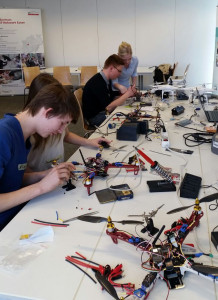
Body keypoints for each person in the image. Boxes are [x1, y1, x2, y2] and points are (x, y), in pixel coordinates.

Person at [0, 83, 79, 231]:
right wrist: (40, 187)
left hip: (19, 213)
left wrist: (45, 175)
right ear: (47, 112)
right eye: (62, 123)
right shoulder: (4, 135)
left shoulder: (23, 136)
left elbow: (10, 180)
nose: (61, 131)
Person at [24, 73, 111, 172]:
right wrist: (44, 178)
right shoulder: (25, 130)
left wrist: (89, 142)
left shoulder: (57, 120)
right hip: (41, 179)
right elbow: (22, 172)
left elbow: (66, 135)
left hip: (56, 174)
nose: (61, 130)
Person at [82, 54, 137, 127]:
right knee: (127, 119)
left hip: (102, 112)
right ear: (111, 68)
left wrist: (128, 95)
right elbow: (109, 107)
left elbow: (112, 98)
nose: (120, 74)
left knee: (128, 114)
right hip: (95, 118)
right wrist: (127, 94)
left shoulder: (106, 80)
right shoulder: (97, 82)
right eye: (119, 71)